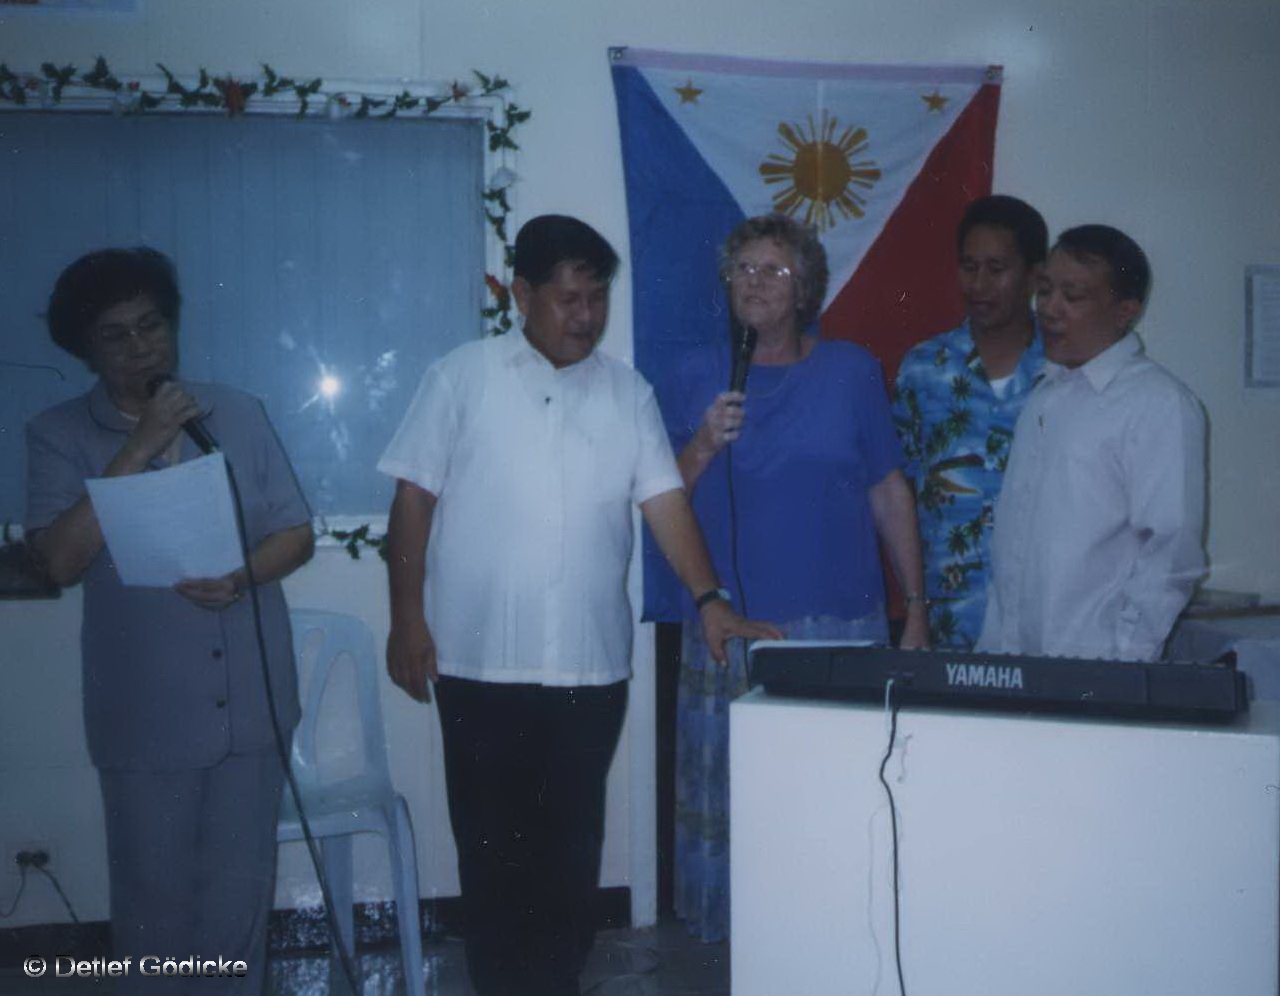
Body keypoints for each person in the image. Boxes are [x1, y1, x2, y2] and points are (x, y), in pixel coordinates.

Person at [379, 215, 776, 996]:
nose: (586, 316)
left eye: (597, 298)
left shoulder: (627, 393)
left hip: (588, 671)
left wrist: (709, 598)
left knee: (569, 861)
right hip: (476, 663)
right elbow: (412, 500)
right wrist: (406, 621)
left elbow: (665, 504)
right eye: (569, 299)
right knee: (491, 856)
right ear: (522, 294)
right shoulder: (461, 378)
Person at [24, 247, 314, 994]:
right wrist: (140, 443)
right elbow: (57, 562)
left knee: (237, 912)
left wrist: (241, 575)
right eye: (115, 335)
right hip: (146, 715)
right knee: (154, 914)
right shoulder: (58, 433)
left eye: (152, 326)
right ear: (84, 349)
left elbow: (294, 532)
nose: (141, 347)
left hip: (250, 706)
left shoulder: (237, 412)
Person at [667, 212, 929, 943]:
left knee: (830, 801)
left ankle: (828, 943)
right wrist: (702, 445)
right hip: (729, 629)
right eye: (742, 269)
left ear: (806, 289)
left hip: (837, 625)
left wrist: (916, 609)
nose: (754, 282)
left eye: (774, 269)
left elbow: (888, 491)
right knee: (736, 800)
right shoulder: (692, 375)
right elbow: (660, 499)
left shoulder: (850, 371)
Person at [978, 225, 1206, 661]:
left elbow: (1172, 553)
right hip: (1015, 663)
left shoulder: (1156, 403)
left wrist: (1124, 663)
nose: (1049, 309)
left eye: (1073, 296)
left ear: (1125, 311)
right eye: (1045, 291)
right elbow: (1015, 548)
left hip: (1095, 668)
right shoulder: (1045, 393)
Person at [891, 195, 1049, 648]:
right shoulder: (924, 369)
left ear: (1034, 275)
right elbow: (900, 492)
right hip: (949, 619)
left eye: (997, 269)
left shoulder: (1065, 371)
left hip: (1046, 620)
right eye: (969, 267)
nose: (979, 285)